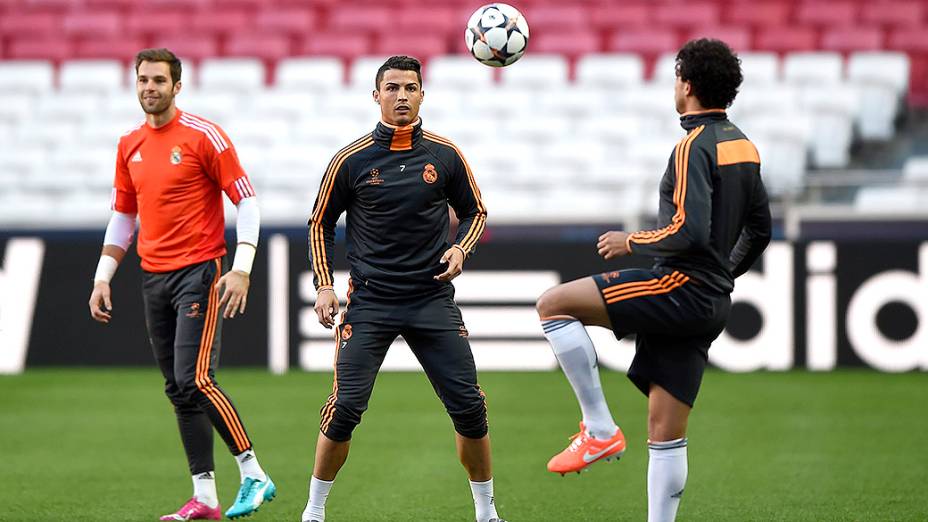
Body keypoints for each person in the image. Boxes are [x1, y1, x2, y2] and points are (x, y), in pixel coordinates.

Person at [536, 39, 771, 521]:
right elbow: (760, 230)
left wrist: (633, 242)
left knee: (553, 305)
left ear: (685, 84)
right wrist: (723, 275)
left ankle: (599, 430)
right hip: (710, 302)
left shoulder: (693, 146)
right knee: (666, 433)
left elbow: (689, 230)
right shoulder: (744, 145)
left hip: (680, 286)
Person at [301, 55, 504, 522]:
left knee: (470, 407)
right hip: (370, 301)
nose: (401, 96)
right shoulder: (351, 160)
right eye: (391, 88)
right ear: (376, 96)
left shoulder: (444, 155)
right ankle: (313, 513)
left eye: (410, 88)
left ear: (422, 95)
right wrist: (325, 285)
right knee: (344, 408)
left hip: (431, 299)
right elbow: (320, 222)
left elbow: (476, 212)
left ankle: (486, 512)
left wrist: (461, 250)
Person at [87, 48, 275, 521]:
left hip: (200, 271)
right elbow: (123, 216)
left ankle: (253, 472)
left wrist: (243, 267)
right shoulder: (128, 144)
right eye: (143, 79)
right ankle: (205, 498)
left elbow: (246, 202)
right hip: (153, 276)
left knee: (196, 378)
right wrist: (101, 277)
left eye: (158, 80)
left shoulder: (203, 136)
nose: (149, 87)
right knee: (177, 388)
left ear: (177, 86)